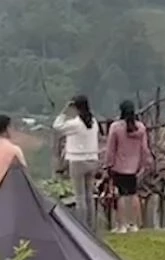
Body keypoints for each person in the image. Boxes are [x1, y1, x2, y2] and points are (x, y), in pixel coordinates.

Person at [54, 95, 102, 231]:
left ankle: (82, 227)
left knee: (79, 196)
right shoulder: (93, 122)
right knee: (89, 196)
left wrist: (64, 111)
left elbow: (57, 126)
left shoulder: (75, 124)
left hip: (77, 161)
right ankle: (92, 226)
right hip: (92, 159)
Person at [104, 99, 153, 234]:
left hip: (119, 165)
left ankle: (122, 225)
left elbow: (111, 149)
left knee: (121, 196)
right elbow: (144, 148)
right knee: (133, 195)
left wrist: (108, 164)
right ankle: (134, 224)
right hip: (135, 166)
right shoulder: (141, 127)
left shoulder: (116, 127)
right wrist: (146, 163)